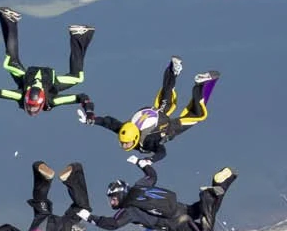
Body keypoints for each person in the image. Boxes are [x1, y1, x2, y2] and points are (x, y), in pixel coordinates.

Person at [77, 57, 216, 163]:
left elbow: (162, 152)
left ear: (136, 137)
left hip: (167, 127)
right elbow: (108, 122)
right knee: (166, 95)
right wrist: (92, 120)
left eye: (127, 143)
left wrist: (150, 160)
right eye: (124, 143)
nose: (125, 145)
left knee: (196, 115)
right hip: (152, 113)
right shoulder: (126, 130)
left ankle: (200, 86)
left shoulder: (149, 141)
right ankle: (173, 70)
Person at [0, 8, 93, 113]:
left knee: (11, 62)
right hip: (48, 82)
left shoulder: (47, 100)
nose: (32, 109)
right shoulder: (48, 100)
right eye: (33, 107)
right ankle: (9, 19)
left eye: (32, 107)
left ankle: (79, 35)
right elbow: (82, 97)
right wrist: (89, 112)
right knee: (11, 62)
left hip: (31, 78)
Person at [92, 162, 235, 231]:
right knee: (209, 211)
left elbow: (113, 224)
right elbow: (152, 176)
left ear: (121, 194)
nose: (112, 203)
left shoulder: (129, 210)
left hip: (174, 222)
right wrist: (140, 163)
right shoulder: (139, 187)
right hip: (182, 208)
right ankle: (221, 183)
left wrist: (89, 217)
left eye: (114, 199)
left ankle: (207, 195)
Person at [0, 160, 92, 231]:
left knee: (83, 208)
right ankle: (41, 173)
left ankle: (73, 175)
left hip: (56, 224)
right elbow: (8, 228)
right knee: (40, 199)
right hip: (44, 217)